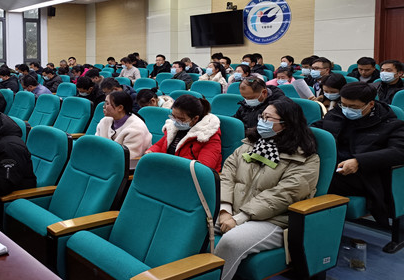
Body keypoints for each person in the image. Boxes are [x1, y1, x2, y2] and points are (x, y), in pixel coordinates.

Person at [216, 98, 319, 280]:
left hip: (274, 219)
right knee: (194, 224)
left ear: (286, 124)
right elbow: (228, 175)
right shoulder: (250, 144)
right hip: (234, 210)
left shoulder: (305, 158)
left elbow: (285, 194)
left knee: (232, 241)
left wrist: (240, 218)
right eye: (261, 117)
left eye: (268, 118)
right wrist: (225, 210)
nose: (261, 122)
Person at [311, 82, 404, 226]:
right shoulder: (337, 113)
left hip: (362, 176)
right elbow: (316, 129)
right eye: (344, 104)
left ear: (370, 104)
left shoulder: (391, 125)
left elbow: (399, 151)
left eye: (353, 107)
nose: (347, 110)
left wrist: (359, 161)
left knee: (309, 181)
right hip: (330, 165)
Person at [145, 95, 222, 172]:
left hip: (188, 175)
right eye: (174, 116)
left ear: (195, 119)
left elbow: (203, 169)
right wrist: (151, 152)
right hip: (168, 170)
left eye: (181, 119)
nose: (176, 121)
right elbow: (160, 145)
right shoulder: (174, 128)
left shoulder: (208, 136)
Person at [96, 91, 152, 158]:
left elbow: (129, 157)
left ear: (120, 108)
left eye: (107, 103)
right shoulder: (105, 121)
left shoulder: (136, 128)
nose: (104, 106)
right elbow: (97, 144)